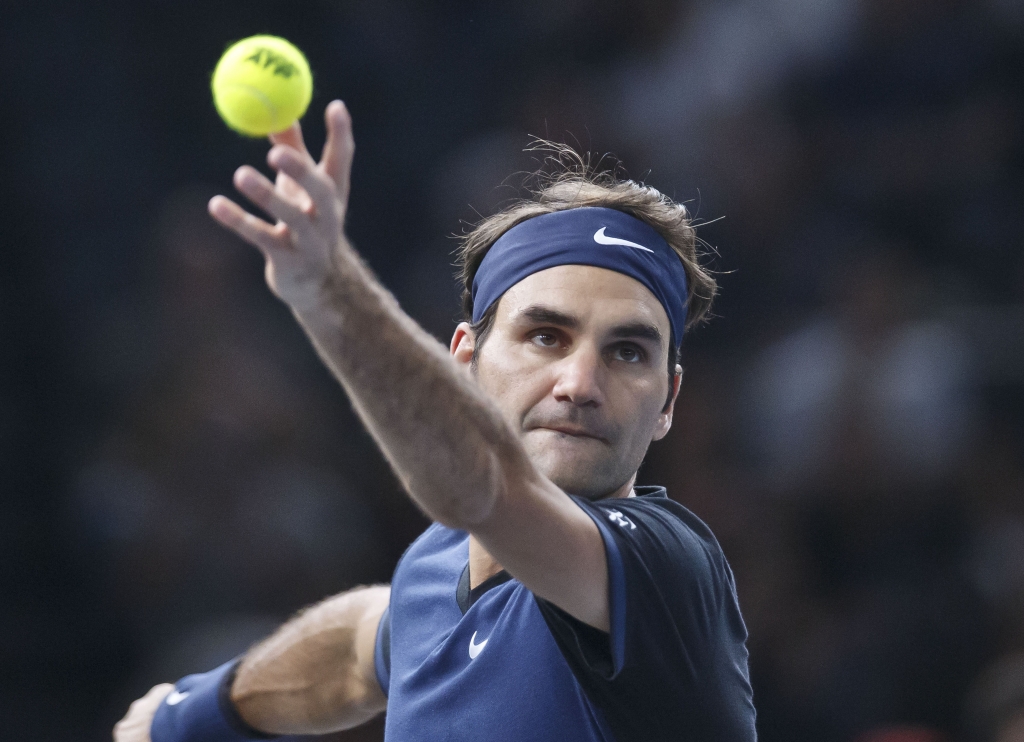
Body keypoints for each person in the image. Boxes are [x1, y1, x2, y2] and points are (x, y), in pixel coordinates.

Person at [114, 100, 756, 742]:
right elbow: (351, 651)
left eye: (627, 352)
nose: (580, 384)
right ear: (464, 363)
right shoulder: (435, 570)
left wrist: (325, 287)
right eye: (545, 336)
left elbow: (480, 486)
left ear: (668, 401)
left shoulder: (667, 568)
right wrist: (191, 713)